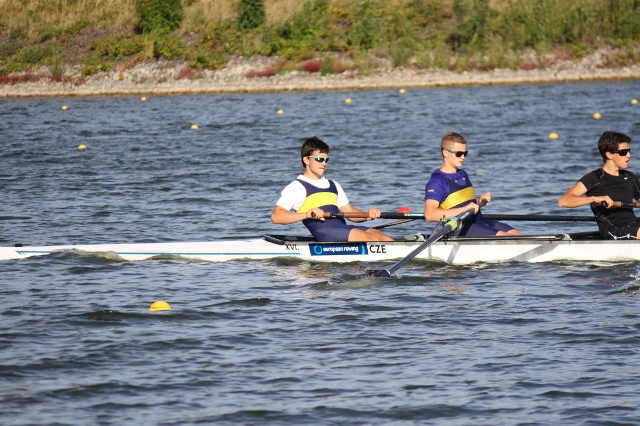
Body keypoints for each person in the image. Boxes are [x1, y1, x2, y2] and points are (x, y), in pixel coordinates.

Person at [271, 136, 394, 242]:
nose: (324, 163)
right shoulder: (297, 187)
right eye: (319, 159)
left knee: (385, 239)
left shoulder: (333, 185)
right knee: (370, 239)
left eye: (326, 159)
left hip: (343, 229)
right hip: (325, 232)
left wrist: (368, 214)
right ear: (306, 160)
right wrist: (307, 214)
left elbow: (351, 213)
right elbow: (276, 217)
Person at [424, 131, 521, 236]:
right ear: (445, 153)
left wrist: (479, 201)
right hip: (460, 228)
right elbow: (429, 215)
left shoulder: (463, 174)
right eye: (458, 154)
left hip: (479, 221)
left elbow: (462, 202)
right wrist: (464, 209)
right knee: (507, 238)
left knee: (517, 235)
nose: (463, 157)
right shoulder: (437, 182)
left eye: (465, 153)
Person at [558, 131, 640, 239]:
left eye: (629, 151)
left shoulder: (630, 177)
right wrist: (594, 199)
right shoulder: (594, 178)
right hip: (612, 229)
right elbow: (563, 201)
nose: (629, 155)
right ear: (609, 154)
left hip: (634, 224)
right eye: (623, 152)